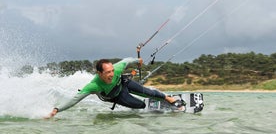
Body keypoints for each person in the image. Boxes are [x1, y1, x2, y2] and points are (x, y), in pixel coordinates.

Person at [47, 57, 184, 118]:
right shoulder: (94, 85)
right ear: (99, 73)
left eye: (112, 71)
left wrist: (138, 61)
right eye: (107, 72)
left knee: (147, 92)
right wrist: (57, 109)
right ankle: (146, 105)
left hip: (124, 82)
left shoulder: (117, 70)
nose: (111, 74)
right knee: (140, 105)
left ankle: (168, 98)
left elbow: (127, 60)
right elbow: (74, 99)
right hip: (115, 95)